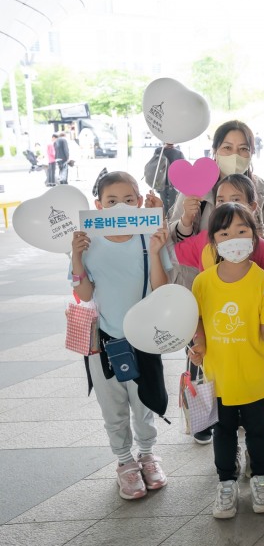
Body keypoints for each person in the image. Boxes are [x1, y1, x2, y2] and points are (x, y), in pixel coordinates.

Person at [189, 202, 264, 519]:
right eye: (225, 232)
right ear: (213, 241)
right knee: (222, 432)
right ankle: (226, 483)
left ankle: (261, 478)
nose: (234, 238)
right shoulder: (202, 283)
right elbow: (197, 324)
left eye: (242, 230)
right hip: (218, 376)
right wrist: (197, 345)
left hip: (254, 378)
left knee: (258, 431)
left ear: (254, 236)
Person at [169, 121, 264, 444]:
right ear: (214, 151)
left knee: (242, 344)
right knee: (203, 347)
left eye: (243, 148)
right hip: (202, 283)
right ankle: (204, 413)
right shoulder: (195, 188)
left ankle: (246, 410)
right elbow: (177, 235)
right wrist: (187, 219)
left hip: (247, 282)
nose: (235, 154)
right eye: (227, 147)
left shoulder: (261, 187)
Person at [70, 171, 171, 500]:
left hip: (143, 338)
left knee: (143, 402)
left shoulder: (148, 236)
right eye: (111, 201)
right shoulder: (89, 241)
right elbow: (84, 294)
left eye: (129, 200)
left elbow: (161, 288)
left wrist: (157, 250)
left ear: (140, 202)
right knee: (112, 406)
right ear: (98, 206)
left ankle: (147, 455)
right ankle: (125, 463)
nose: (120, 207)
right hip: (104, 341)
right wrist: (75, 255)